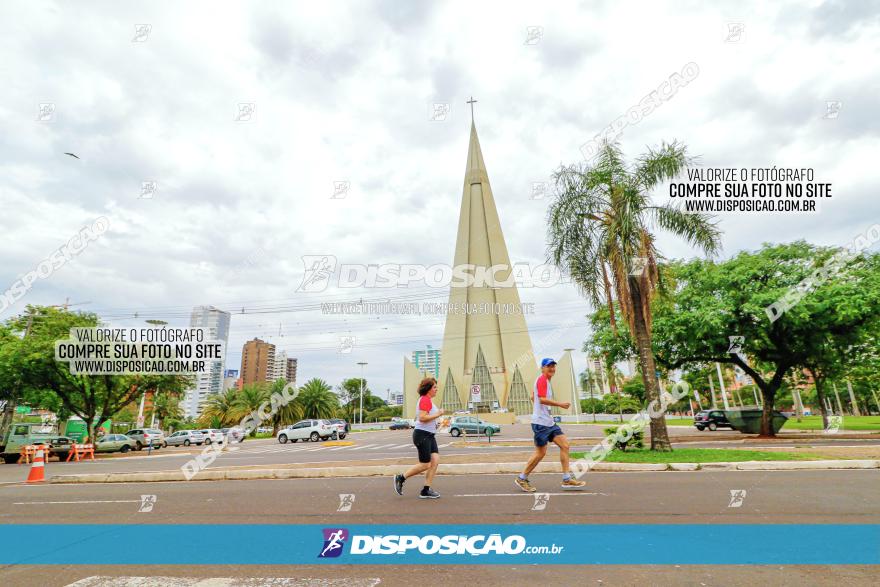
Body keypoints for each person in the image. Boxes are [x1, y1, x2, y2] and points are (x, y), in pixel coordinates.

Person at [515, 358, 586, 492]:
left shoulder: (545, 381)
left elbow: (533, 396)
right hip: (541, 424)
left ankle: (566, 479)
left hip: (548, 422)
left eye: (553, 366)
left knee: (565, 445)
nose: (552, 368)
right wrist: (560, 404)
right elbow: (541, 399)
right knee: (540, 453)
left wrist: (537, 402)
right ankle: (522, 478)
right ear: (542, 368)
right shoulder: (542, 379)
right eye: (548, 366)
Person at [394, 377, 444, 499]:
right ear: (428, 389)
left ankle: (426, 490)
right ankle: (400, 478)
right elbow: (422, 418)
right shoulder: (425, 400)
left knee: (435, 461)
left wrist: (439, 423)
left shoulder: (428, 400)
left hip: (429, 435)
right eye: (434, 387)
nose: (436, 389)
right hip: (422, 435)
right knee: (425, 464)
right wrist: (439, 413)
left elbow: (428, 418)